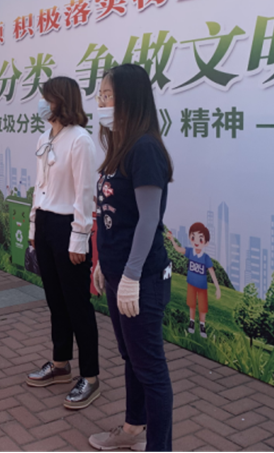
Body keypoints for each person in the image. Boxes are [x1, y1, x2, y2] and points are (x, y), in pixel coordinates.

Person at [88, 64, 174, 453]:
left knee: (150, 368)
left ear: (129, 99)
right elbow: (115, 217)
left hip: (141, 279)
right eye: (100, 96)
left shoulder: (145, 149)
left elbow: (148, 219)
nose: (101, 103)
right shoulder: (120, 148)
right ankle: (132, 429)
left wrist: (132, 275)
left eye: (107, 96)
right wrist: (102, 264)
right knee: (131, 357)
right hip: (118, 272)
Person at [26, 76, 100, 410]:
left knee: (77, 305)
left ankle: (91, 376)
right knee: (55, 301)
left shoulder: (80, 140)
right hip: (45, 223)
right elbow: (39, 185)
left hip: (68, 227)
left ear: (62, 101)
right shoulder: (45, 137)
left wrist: (80, 238)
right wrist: (33, 225)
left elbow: (84, 193)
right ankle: (60, 364)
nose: (42, 104)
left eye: (47, 98)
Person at [167, 224, 221, 338]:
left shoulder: (205, 257)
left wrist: (217, 288)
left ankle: (202, 325)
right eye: (193, 237)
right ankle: (191, 322)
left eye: (200, 239)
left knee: (202, 307)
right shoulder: (190, 252)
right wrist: (172, 240)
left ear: (206, 243)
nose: (196, 242)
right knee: (191, 304)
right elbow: (178, 249)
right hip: (191, 284)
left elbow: (212, 272)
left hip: (202, 287)